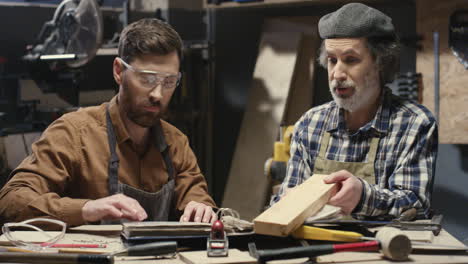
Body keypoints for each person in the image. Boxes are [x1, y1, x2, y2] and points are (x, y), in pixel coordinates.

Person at [0, 18, 217, 226]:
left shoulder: (176, 144)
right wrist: (86, 209)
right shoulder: (73, 134)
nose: (158, 94)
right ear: (119, 71)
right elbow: (10, 202)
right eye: (147, 79)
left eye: (169, 81)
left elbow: (198, 198)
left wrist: (201, 209)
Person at [272, 3, 438, 220]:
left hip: (383, 250)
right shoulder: (310, 123)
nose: (337, 73)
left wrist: (362, 197)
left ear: (381, 63)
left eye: (351, 60)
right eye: (332, 60)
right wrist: (287, 200)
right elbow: (289, 193)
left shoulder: (414, 124)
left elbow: (416, 205)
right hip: (317, 248)